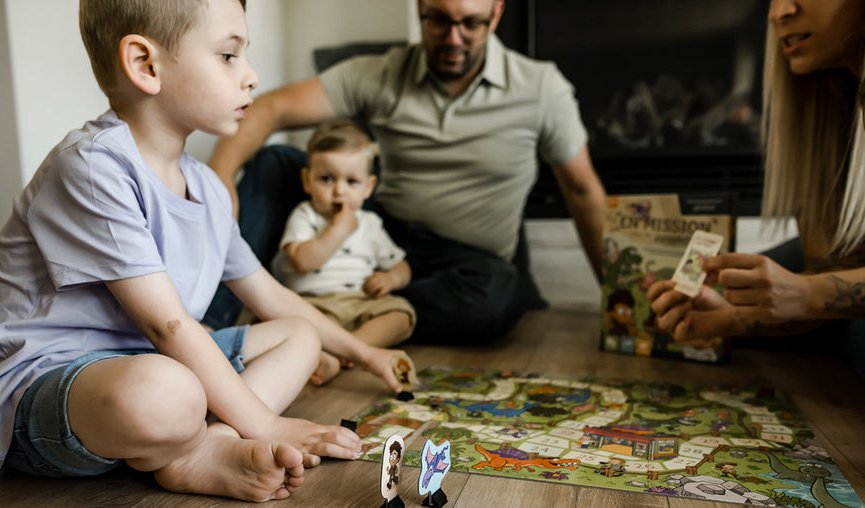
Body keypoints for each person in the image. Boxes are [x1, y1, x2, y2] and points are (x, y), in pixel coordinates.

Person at [0, 0, 408, 502]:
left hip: (153, 362)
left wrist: (367, 353)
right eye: (227, 56)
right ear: (145, 65)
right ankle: (191, 443)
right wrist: (267, 424)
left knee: (300, 336)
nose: (251, 77)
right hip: (50, 388)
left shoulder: (208, 189)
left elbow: (272, 296)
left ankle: (210, 443)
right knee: (168, 390)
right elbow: (168, 326)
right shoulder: (94, 166)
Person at [202, 0, 607, 344]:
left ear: (496, 13)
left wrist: (616, 294)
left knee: (498, 295)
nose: (453, 38)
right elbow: (270, 108)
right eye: (439, 19)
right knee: (276, 162)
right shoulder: (381, 73)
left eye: (470, 22)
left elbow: (583, 191)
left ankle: (343, 317)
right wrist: (220, 178)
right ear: (419, 9)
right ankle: (208, 325)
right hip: (383, 233)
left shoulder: (541, 89)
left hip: (464, 266)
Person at [647, 0, 865, 377]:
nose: (778, 12)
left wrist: (810, 293)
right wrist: (733, 320)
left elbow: (821, 293)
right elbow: (832, 270)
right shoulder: (830, 99)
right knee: (738, 294)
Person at [272, 119, 416, 385]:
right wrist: (339, 229)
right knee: (289, 326)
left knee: (401, 314)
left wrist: (390, 279)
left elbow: (401, 265)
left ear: (368, 187)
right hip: (313, 305)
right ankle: (335, 352)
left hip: (360, 303)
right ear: (307, 180)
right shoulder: (306, 216)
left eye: (351, 181)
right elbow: (302, 261)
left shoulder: (370, 223)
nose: (339, 191)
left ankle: (341, 355)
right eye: (326, 179)